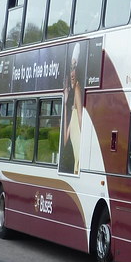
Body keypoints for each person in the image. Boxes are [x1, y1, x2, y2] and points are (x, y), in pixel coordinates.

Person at [60, 44, 83, 173]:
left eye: (74, 68)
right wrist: (65, 104)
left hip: (78, 143)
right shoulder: (72, 92)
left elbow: (80, 117)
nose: (72, 72)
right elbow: (65, 140)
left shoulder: (78, 88)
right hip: (73, 142)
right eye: (71, 68)